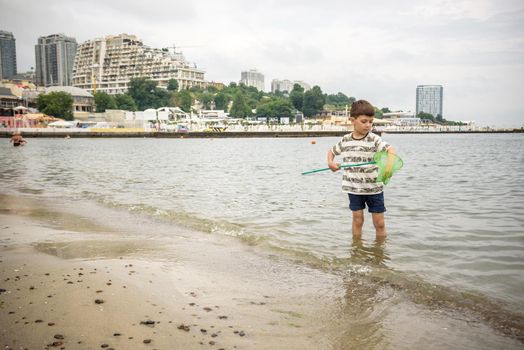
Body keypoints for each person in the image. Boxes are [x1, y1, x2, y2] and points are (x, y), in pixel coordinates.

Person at [327, 100, 396, 239]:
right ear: (353, 120)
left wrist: (389, 165)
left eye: (371, 122)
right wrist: (330, 163)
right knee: (358, 221)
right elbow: (332, 151)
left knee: (379, 223)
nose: (368, 125)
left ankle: (379, 253)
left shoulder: (374, 139)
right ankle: (357, 249)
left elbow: (390, 150)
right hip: (353, 188)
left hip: (374, 188)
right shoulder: (345, 140)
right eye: (364, 121)